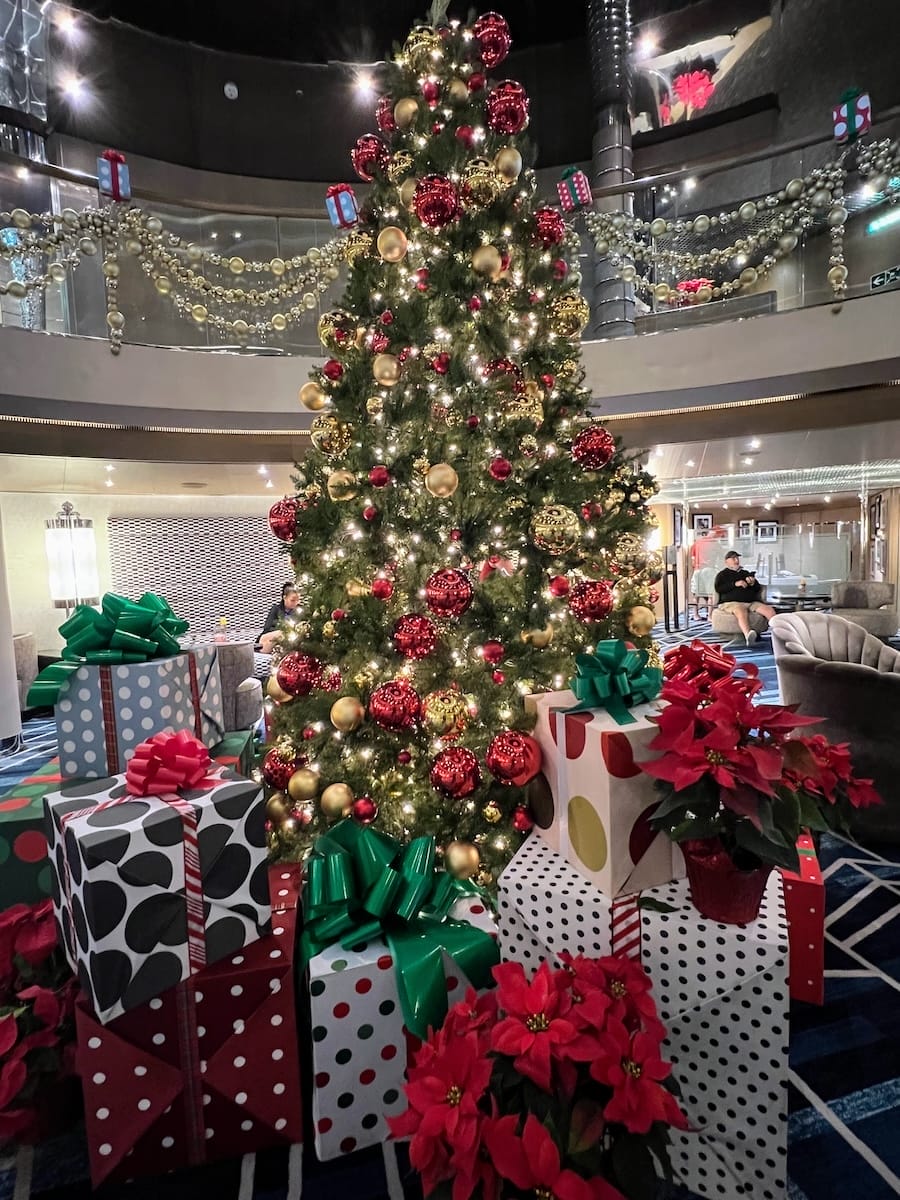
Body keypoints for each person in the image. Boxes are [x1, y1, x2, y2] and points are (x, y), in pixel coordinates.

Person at [714, 550, 775, 646]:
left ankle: (779, 634)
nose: (736, 560)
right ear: (726, 561)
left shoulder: (745, 573)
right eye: (733, 558)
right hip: (732, 602)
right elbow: (719, 588)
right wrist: (735, 584)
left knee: (769, 610)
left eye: (737, 558)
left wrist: (753, 583)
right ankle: (748, 635)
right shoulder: (722, 575)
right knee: (741, 610)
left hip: (751, 602)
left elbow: (757, 588)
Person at [258, 582, 300, 653]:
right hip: (272, 639)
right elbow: (267, 628)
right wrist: (283, 630)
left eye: (298, 600)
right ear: (284, 598)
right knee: (279, 634)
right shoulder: (276, 609)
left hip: (292, 640)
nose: (295, 603)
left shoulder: (300, 611)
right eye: (292, 600)